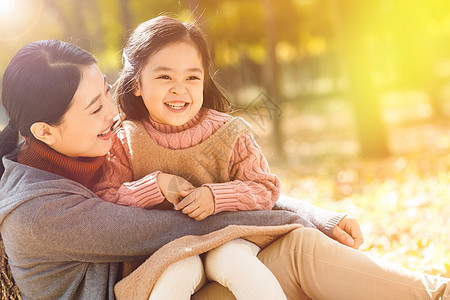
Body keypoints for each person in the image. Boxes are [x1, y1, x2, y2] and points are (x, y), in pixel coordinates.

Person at [0, 40, 448, 300]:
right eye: (96, 107)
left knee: (299, 245)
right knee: (293, 252)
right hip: (159, 286)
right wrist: (299, 217)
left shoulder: (93, 151)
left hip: (182, 275)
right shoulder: (36, 210)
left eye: (108, 91)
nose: (113, 110)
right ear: (46, 131)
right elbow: (179, 224)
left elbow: (211, 193)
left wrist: (315, 216)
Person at [92, 15, 290, 300]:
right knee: (177, 271)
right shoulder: (124, 139)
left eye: (192, 77)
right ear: (136, 84)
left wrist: (216, 197)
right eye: (164, 77)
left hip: (229, 236)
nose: (179, 89)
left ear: (204, 81)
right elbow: (105, 198)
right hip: (163, 248)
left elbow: (266, 188)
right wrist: (155, 185)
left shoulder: (230, 131)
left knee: (236, 262)